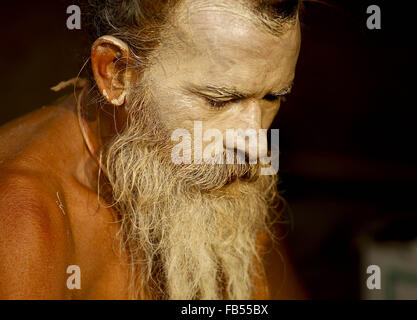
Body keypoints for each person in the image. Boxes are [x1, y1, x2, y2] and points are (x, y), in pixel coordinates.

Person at [0, 0, 306, 299]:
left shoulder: (225, 177)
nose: (255, 145)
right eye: (219, 100)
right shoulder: (22, 217)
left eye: (273, 97)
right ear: (117, 73)